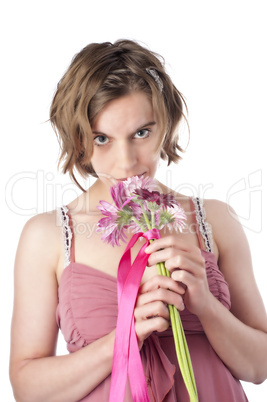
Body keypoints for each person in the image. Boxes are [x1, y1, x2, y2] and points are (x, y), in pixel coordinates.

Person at [9, 39, 267, 402]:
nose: (126, 162)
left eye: (141, 133)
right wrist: (123, 338)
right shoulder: (48, 236)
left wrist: (205, 305)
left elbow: (259, 367)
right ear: (78, 139)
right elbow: (26, 388)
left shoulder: (214, 220)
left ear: (167, 123)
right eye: (102, 138)